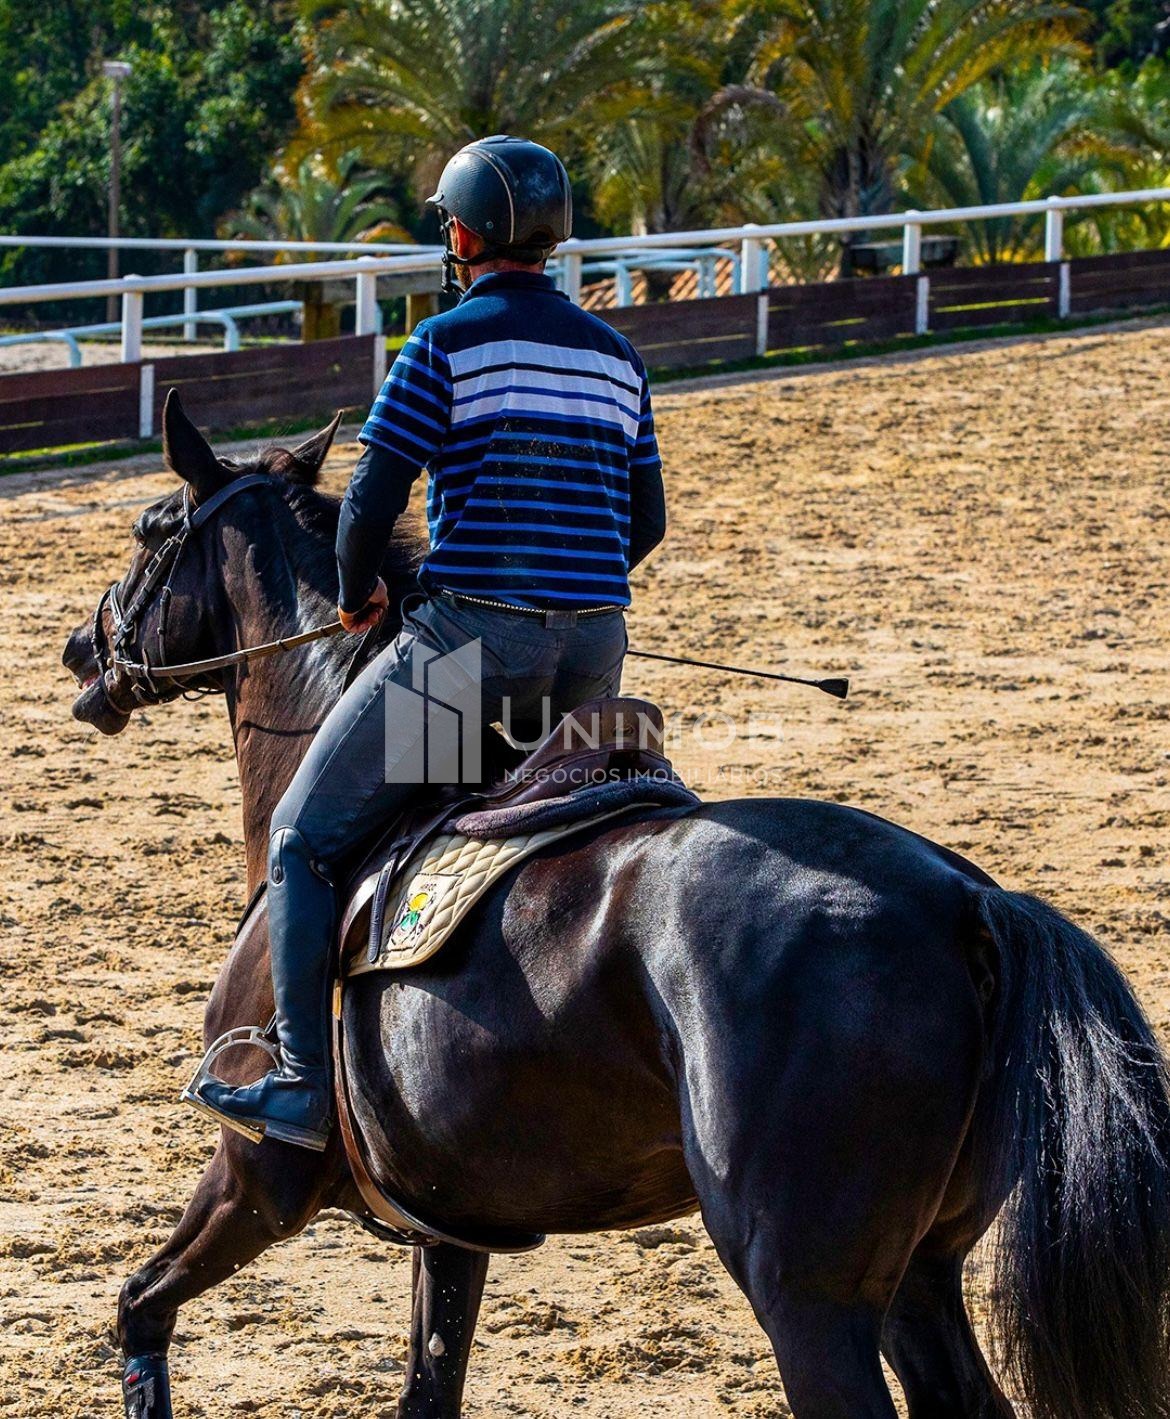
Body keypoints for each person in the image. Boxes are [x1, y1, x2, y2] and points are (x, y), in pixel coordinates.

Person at [191, 135, 667, 1152]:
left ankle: (300, 1083)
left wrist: (358, 591)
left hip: (468, 661)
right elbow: (648, 520)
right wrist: (570, 584)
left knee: (304, 834)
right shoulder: (616, 356)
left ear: (463, 235)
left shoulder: (443, 345)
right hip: (593, 655)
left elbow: (370, 500)